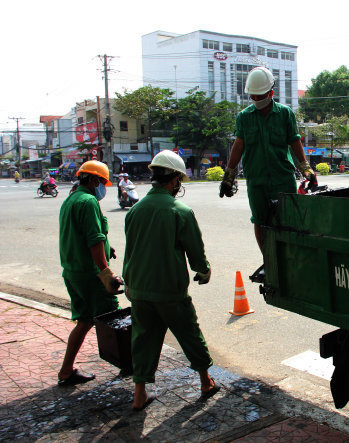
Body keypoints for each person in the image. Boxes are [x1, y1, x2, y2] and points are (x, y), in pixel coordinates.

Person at [123, 150, 218, 410]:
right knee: (189, 333)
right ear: (175, 179)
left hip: (139, 288)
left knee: (142, 339)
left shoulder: (135, 210)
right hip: (169, 291)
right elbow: (195, 251)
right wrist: (203, 270)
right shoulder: (180, 211)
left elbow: (130, 250)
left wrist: (129, 282)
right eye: (180, 180)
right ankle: (206, 381)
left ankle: (139, 394)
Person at [219, 66, 314, 251]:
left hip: (282, 178)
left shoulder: (285, 114)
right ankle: (268, 262)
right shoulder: (244, 117)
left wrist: (305, 167)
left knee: (288, 219)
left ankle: (290, 258)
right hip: (256, 180)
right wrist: (228, 176)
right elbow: (238, 146)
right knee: (260, 220)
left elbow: (295, 142)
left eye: (259, 96)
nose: (256, 100)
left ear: (270, 93)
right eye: (252, 97)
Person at [57, 160, 124, 386]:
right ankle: (130, 366)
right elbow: (94, 240)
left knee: (84, 321)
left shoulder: (71, 200)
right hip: (90, 275)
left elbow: (86, 235)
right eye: (102, 182)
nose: (103, 187)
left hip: (72, 273)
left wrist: (108, 248)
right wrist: (106, 274)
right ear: (94, 180)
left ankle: (66, 371)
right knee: (114, 319)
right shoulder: (88, 201)